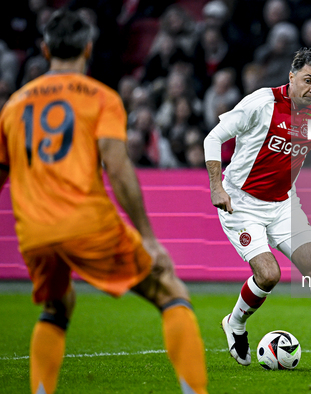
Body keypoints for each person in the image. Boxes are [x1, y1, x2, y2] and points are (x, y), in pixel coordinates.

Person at [0, 10, 207, 394]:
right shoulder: (100, 98)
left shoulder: (13, 106)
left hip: (34, 233)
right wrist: (147, 235)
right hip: (85, 221)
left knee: (57, 307)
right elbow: (117, 167)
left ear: (45, 50)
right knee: (170, 291)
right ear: (88, 48)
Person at [204, 48, 311, 367]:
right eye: (308, 80)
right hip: (241, 204)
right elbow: (213, 138)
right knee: (269, 275)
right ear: (292, 76)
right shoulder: (261, 103)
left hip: (284, 204)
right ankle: (235, 323)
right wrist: (216, 186)